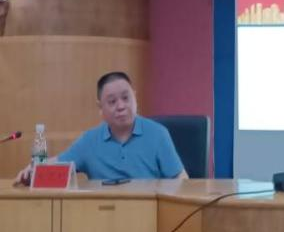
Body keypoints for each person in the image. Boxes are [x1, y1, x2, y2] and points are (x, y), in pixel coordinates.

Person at [15, 71, 188, 184]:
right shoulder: (90, 141)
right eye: (112, 101)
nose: (121, 106)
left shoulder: (158, 134)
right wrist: (33, 171)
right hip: (103, 218)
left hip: (150, 216)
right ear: (100, 108)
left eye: (126, 98)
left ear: (135, 98)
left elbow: (181, 180)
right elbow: (58, 164)